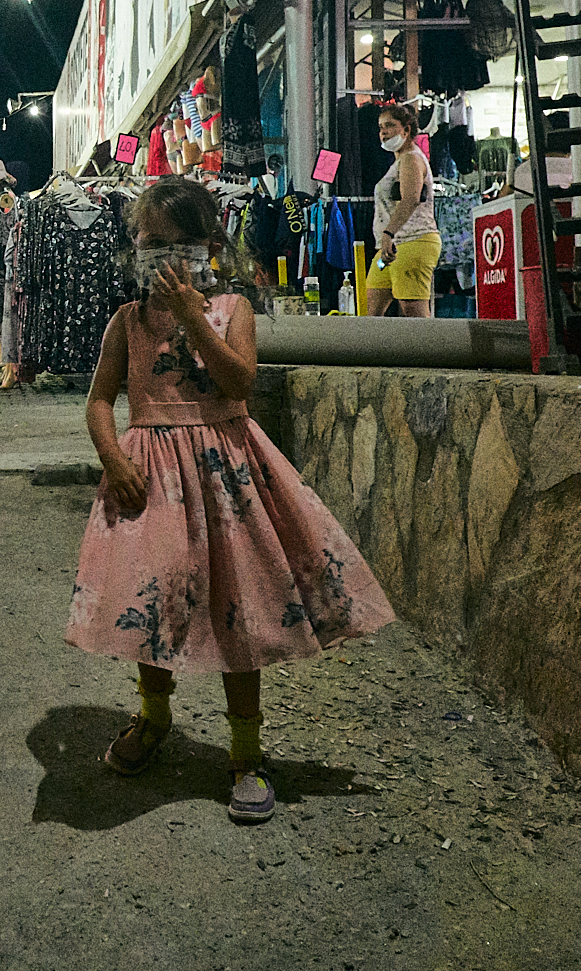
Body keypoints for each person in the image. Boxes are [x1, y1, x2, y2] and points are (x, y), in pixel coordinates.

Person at [66, 178, 394, 821]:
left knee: (237, 606)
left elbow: (238, 381)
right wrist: (110, 453)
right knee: (149, 602)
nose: (151, 254)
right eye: (143, 242)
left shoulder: (232, 311)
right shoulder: (127, 322)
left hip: (226, 480)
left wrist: (193, 318)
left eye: (167, 243)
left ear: (208, 247)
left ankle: (247, 751)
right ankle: (154, 718)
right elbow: (101, 398)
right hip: (150, 480)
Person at [367, 102, 442, 318]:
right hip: (391, 249)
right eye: (381, 127)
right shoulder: (400, 161)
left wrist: (388, 233)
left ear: (406, 129)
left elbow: (410, 199)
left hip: (412, 242)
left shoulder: (411, 158)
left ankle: (428, 351)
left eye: (390, 126)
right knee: (373, 303)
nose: (383, 132)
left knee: (414, 312)